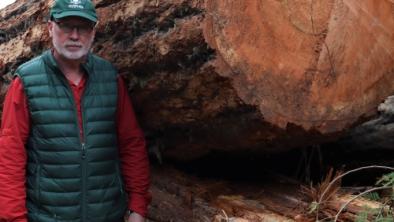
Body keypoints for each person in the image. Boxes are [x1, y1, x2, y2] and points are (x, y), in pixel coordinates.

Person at [0, 0, 151, 221]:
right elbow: (10, 153)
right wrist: (14, 218)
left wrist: (138, 206)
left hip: (107, 214)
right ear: (51, 28)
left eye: (83, 27)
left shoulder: (110, 77)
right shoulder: (26, 81)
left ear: (93, 32)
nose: (74, 35)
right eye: (66, 26)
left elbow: (131, 143)